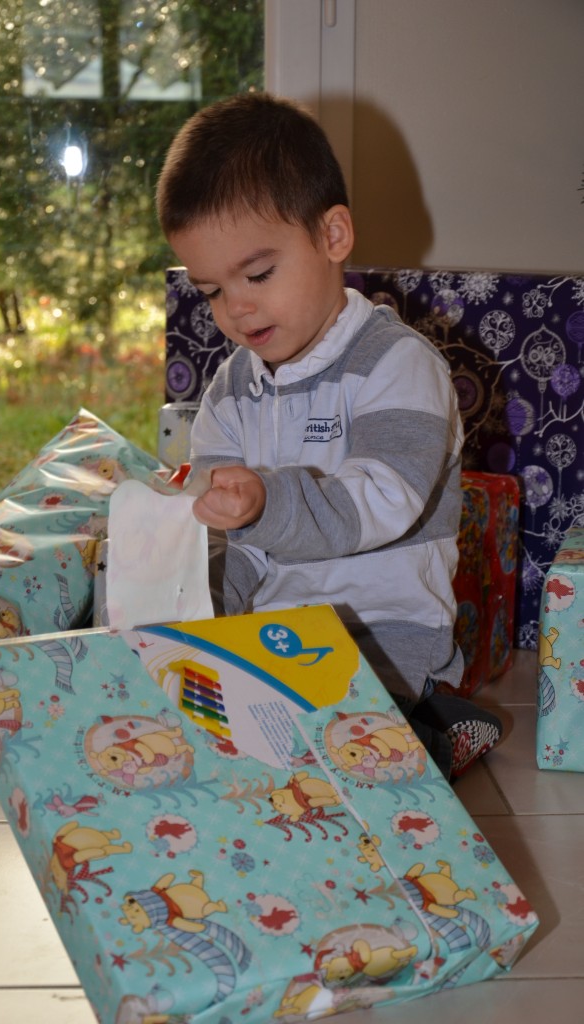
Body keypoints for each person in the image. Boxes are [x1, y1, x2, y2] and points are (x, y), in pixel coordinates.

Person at [155, 92, 501, 780]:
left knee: (351, 755)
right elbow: (230, 541)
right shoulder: (230, 391)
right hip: (275, 638)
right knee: (189, 721)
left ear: (334, 235)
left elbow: (382, 501)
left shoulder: (399, 367)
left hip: (383, 637)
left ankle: (436, 728)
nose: (236, 307)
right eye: (211, 290)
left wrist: (264, 504)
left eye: (258, 274)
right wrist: (194, 603)